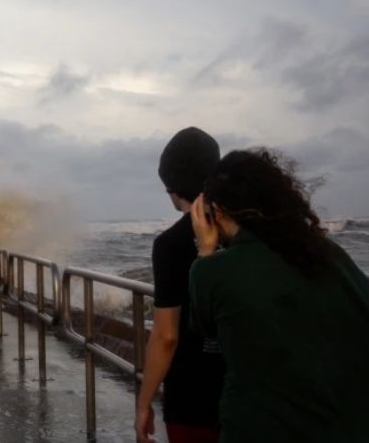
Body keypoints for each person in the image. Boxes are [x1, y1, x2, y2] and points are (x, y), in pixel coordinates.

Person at [189, 149, 369, 443]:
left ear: (217, 212)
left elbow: (205, 326)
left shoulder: (211, 271)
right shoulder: (330, 255)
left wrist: (205, 250)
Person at [136, 127, 225, 443]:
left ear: (171, 187)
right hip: (250, 393)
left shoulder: (170, 244)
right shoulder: (248, 232)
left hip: (193, 396)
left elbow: (166, 336)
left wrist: (144, 403)